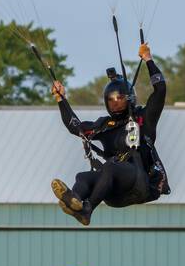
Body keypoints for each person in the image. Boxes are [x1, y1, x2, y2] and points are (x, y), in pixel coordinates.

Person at [50, 42, 169, 226]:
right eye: (111, 100)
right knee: (83, 177)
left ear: (129, 97)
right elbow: (76, 127)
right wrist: (61, 99)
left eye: (120, 99)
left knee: (110, 167)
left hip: (140, 181)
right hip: (114, 193)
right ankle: (76, 203)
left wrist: (148, 60)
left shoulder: (143, 118)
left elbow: (160, 90)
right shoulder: (104, 125)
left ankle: (87, 209)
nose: (115, 103)